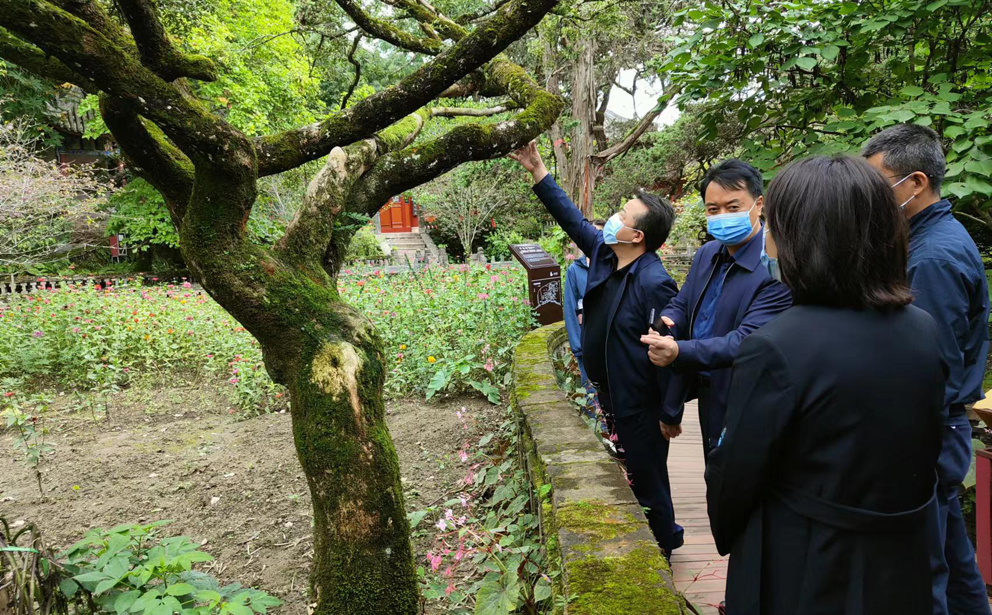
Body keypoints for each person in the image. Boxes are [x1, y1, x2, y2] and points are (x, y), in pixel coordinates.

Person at [707, 155, 947, 615]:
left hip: (808, 563)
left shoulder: (775, 346)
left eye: (775, 227)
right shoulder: (922, 328)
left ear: (800, 239)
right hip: (901, 555)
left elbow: (735, 474)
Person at [509, 140, 684, 557]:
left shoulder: (654, 282)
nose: (613, 218)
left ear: (636, 236)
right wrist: (538, 170)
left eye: (623, 215)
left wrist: (670, 412)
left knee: (648, 478)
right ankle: (656, 536)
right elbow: (571, 219)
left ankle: (663, 545)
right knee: (633, 473)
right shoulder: (606, 256)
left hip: (640, 404)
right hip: (610, 393)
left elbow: (674, 352)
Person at [864, 123, 992, 615]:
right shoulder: (926, 240)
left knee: (921, 571)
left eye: (879, 185)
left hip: (929, 427)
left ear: (915, 182)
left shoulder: (933, 257)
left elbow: (927, 366)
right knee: (952, 557)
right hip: (940, 426)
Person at [641, 159, 791, 459]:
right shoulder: (708, 253)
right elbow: (683, 302)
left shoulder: (775, 265)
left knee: (742, 471)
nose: (722, 216)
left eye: (733, 207)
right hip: (705, 388)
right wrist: (667, 321)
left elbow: (747, 341)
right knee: (713, 467)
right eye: (713, 209)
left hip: (747, 392)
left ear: (759, 204)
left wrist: (679, 352)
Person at [563, 219, 606, 393]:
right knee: (590, 391)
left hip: (608, 342)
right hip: (585, 340)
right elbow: (570, 307)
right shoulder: (575, 270)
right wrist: (577, 345)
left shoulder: (613, 266)